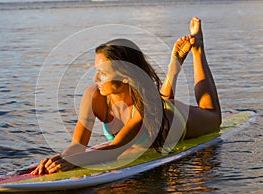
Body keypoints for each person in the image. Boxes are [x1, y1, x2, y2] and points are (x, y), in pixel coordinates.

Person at [31, 16, 221, 175]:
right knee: (158, 101)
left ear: (125, 77)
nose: (95, 78)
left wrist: (77, 161)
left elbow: (117, 149)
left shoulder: (144, 105)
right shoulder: (93, 96)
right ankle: (174, 68)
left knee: (213, 115)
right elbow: (77, 145)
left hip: (174, 120)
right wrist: (62, 159)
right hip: (156, 110)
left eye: (103, 73)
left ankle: (197, 50)